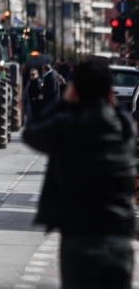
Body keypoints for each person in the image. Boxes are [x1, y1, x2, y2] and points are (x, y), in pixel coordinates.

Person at [23, 58, 136, 289]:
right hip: (120, 241)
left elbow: (31, 132)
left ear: (74, 91)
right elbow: (119, 115)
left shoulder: (65, 128)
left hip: (80, 239)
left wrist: (65, 103)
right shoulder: (124, 129)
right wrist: (108, 102)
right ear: (109, 92)